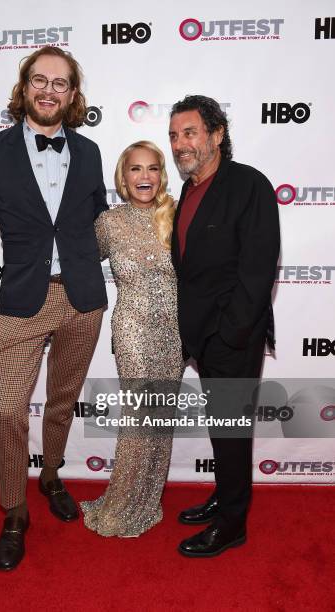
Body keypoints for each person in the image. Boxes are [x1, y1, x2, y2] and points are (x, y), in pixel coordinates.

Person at [0, 46, 108, 570]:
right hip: (21, 304)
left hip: (82, 300)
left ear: (73, 95)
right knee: (6, 410)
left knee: (63, 400)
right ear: (25, 87)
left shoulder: (90, 152)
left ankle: (50, 475)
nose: (49, 90)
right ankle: (15, 512)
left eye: (61, 83)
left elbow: (99, 224)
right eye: (40, 80)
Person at [168, 95, 280, 557]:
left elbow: (257, 270)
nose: (179, 144)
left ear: (217, 135)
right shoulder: (191, 191)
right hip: (204, 337)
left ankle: (233, 523)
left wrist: (229, 335)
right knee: (223, 429)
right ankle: (224, 495)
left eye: (189, 133)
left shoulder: (249, 184)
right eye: (173, 136)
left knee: (232, 429)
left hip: (233, 336)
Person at [80, 141, 184, 537]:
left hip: (175, 332)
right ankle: (123, 503)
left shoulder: (177, 214)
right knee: (141, 417)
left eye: (153, 168)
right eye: (136, 169)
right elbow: (81, 263)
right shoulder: (108, 222)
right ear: (123, 178)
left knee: (161, 418)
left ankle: (147, 498)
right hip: (133, 329)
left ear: (161, 174)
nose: (145, 177)